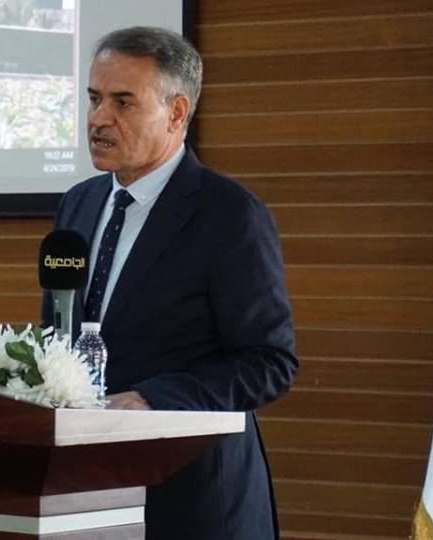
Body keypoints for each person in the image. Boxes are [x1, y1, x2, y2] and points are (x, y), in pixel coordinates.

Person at [42, 26, 297, 539]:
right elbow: (61, 336)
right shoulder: (78, 204)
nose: (98, 119)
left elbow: (269, 362)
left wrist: (151, 399)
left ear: (177, 113)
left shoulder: (228, 215)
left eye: (122, 102)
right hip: (87, 495)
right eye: (93, 99)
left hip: (193, 501)